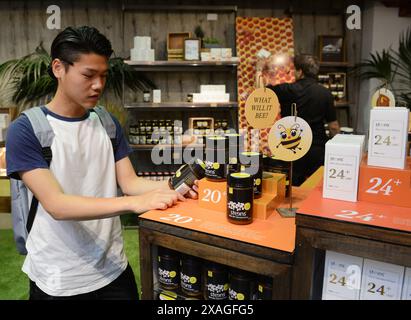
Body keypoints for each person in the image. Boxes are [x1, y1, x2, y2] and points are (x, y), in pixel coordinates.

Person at [6, 26, 198, 300]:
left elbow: (130, 183)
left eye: (103, 75)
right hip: (59, 278)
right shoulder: (27, 130)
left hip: (113, 269)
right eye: (88, 75)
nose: (98, 84)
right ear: (58, 68)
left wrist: (172, 186)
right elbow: (57, 205)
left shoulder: (106, 123)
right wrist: (133, 204)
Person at [256, 54, 340, 185]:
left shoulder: (288, 90)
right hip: (317, 149)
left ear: (300, 72)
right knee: (315, 187)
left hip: (291, 147)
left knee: (292, 188)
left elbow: (260, 92)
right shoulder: (325, 93)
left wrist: (259, 69)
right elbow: (333, 126)